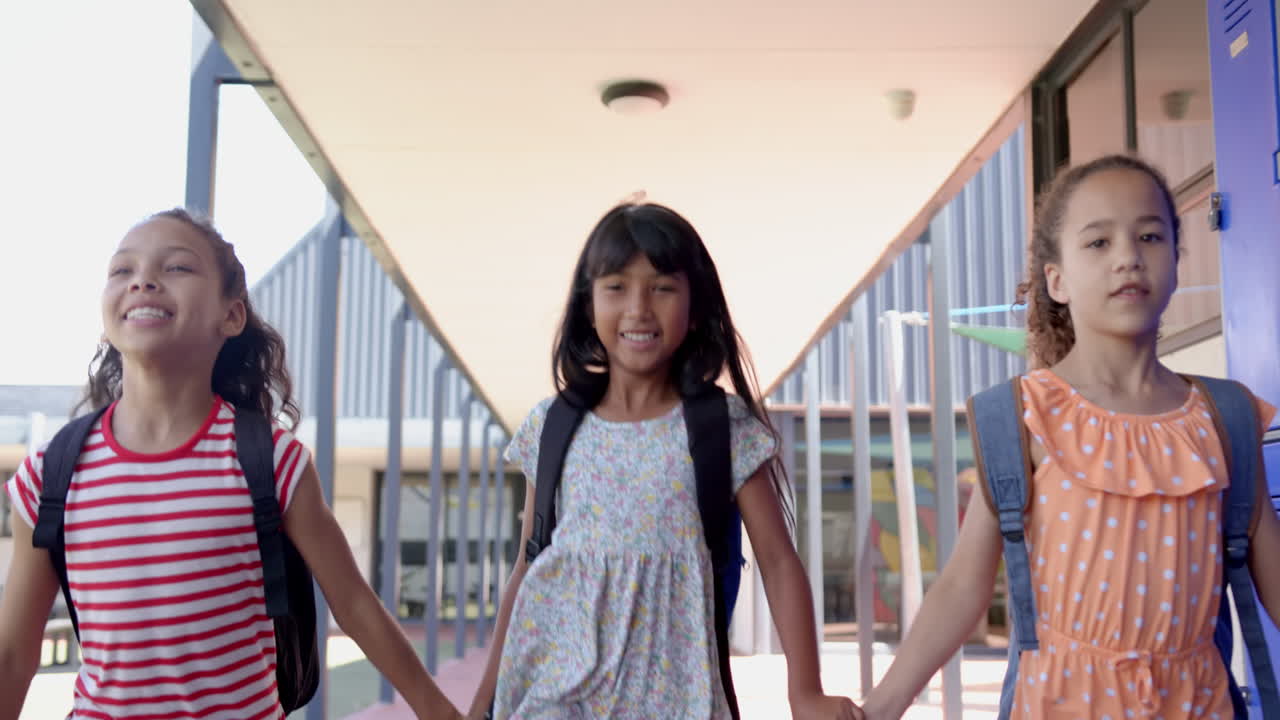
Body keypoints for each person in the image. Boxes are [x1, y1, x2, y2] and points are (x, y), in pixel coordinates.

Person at [0, 209, 463, 720]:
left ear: (232, 316)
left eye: (176, 268)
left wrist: (439, 711)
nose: (143, 281)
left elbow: (353, 605)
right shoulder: (51, 475)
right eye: (122, 271)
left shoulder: (270, 460)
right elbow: (15, 653)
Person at [862, 155, 1280, 718]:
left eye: (1150, 236)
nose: (1128, 256)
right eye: (1099, 243)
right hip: (1059, 704)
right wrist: (880, 707)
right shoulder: (1023, 417)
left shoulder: (1222, 416)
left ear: (1177, 263)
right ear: (1055, 280)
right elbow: (962, 589)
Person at [467, 202, 861, 719]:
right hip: (555, 695)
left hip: (678, 701)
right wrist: (480, 706)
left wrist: (804, 692)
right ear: (589, 305)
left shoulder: (721, 427)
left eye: (662, 287)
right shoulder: (553, 426)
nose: (638, 308)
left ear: (695, 307)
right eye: (616, 287)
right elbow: (529, 566)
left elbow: (779, 562)